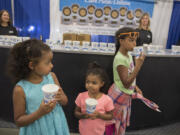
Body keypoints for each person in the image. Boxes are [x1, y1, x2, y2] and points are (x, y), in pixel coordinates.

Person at [6, 39, 69, 135]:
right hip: (36, 130)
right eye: (47, 63)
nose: (52, 65)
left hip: (57, 126)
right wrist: (40, 112)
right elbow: (19, 121)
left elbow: (65, 101)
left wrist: (61, 97)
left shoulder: (52, 77)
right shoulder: (20, 89)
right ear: (32, 65)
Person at [106, 27, 160, 135]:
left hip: (125, 95)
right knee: (112, 123)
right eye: (131, 40)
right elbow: (126, 84)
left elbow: (130, 75)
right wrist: (138, 66)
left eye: (135, 40)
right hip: (119, 95)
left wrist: (136, 87)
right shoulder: (120, 58)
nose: (134, 44)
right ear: (121, 41)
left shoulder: (129, 55)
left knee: (120, 122)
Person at [74, 62, 114, 135]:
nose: (90, 85)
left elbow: (111, 116)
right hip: (83, 131)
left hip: (99, 132)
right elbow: (76, 113)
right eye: (87, 82)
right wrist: (83, 115)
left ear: (101, 84)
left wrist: (99, 115)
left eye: (94, 83)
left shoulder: (107, 100)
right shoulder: (81, 96)